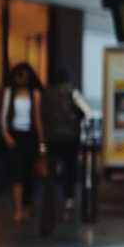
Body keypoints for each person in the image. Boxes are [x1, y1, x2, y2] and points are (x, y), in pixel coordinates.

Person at [41, 67, 92, 212]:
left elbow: (42, 116)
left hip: (52, 137)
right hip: (70, 136)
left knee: (51, 170)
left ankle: (50, 200)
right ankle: (68, 199)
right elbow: (86, 111)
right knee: (70, 169)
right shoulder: (72, 91)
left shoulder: (46, 94)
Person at [0, 63, 45, 224]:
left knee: (28, 174)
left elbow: (38, 119)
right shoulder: (9, 92)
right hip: (15, 137)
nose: (22, 78)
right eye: (19, 74)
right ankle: (18, 211)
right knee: (17, 173)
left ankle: (28, 205)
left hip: (30, 137)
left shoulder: (35, 93)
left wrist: (41, 143)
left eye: (25, 74)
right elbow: (3, 116)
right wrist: (6, 135)